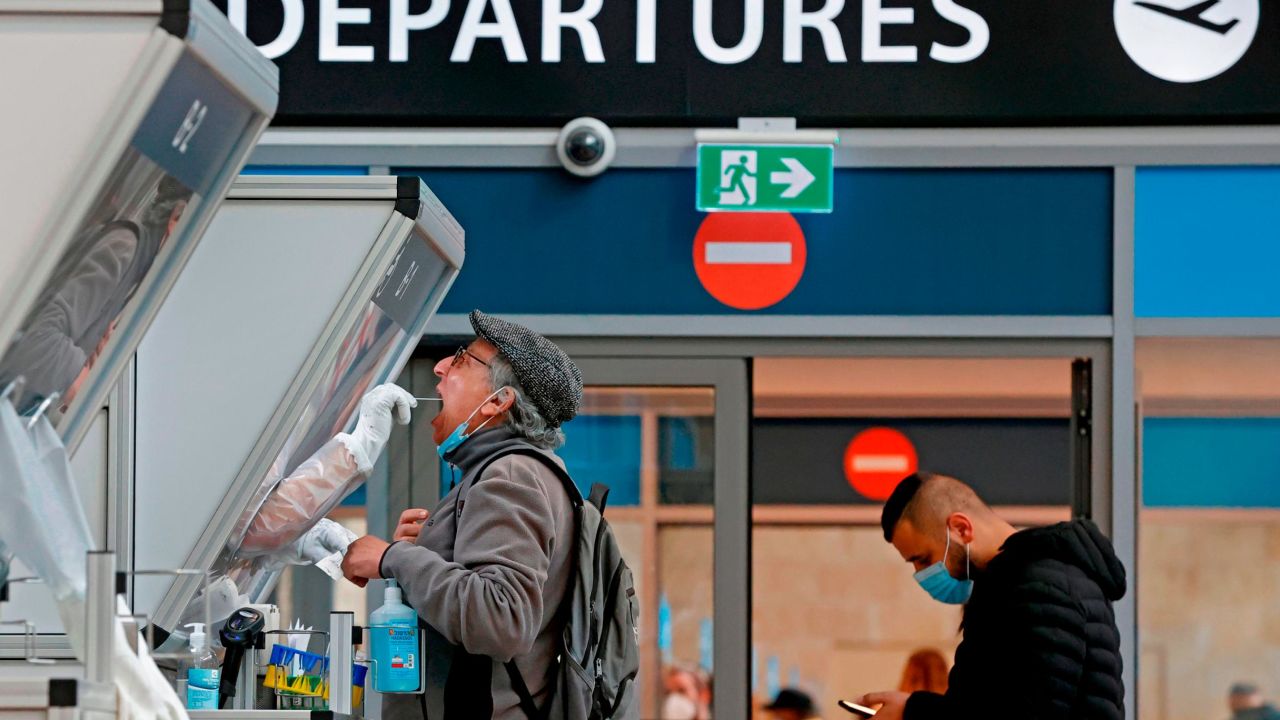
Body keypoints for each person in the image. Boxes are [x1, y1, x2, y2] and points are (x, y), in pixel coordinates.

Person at [342, 310, 584, 719]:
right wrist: (420, 557)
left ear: (498, 402)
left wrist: (392, 558)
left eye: (460, 360)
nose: (439, 367)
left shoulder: (511, 475)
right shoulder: (515, 472)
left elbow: (500, 618)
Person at [852, 472, 1126, 720]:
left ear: (961, 529)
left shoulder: (1037, 588)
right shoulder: (1024, 581)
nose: (921, 574)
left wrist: (912, 711)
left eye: (924, 559)